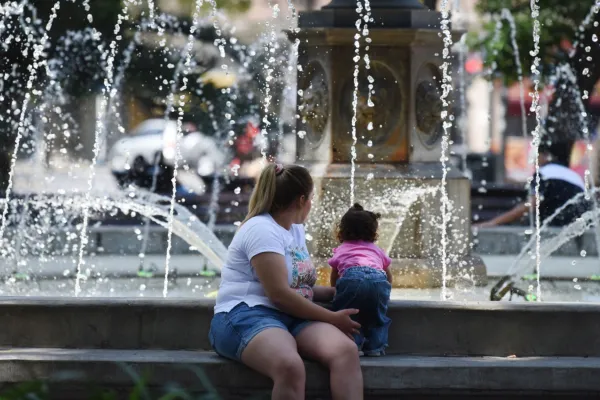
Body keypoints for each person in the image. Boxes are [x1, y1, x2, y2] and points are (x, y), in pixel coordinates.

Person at [209, 163, 364, 400]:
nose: (312, 204)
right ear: (302, 200)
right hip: (245, 314)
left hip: (292, 317)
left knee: (345, 351)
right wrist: (332, 318)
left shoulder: (294, 229)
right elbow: (279, 294)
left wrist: (340, 291)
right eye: (311, 198)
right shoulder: (261, 229)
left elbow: (299, 287)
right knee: (289, 365)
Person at [475, 140, 589, 228]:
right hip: (579, 227)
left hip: (556, 229)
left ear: (547, 156)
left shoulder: (544, 172)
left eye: (537, 155)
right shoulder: (574, 176)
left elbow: (531, 205)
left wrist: (493, 223)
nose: (535, 160)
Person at [329, 203, 393, 357]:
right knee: (378, 317)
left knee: (348, 313)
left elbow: (335, 275)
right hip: (378, 279)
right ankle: (375, 347)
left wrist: (337, 291)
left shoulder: (342, 249)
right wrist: (385, 292)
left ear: (341, 230)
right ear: (373, 232)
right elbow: (388, 275)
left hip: (352, 279)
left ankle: (353, 344)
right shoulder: (377, 250)